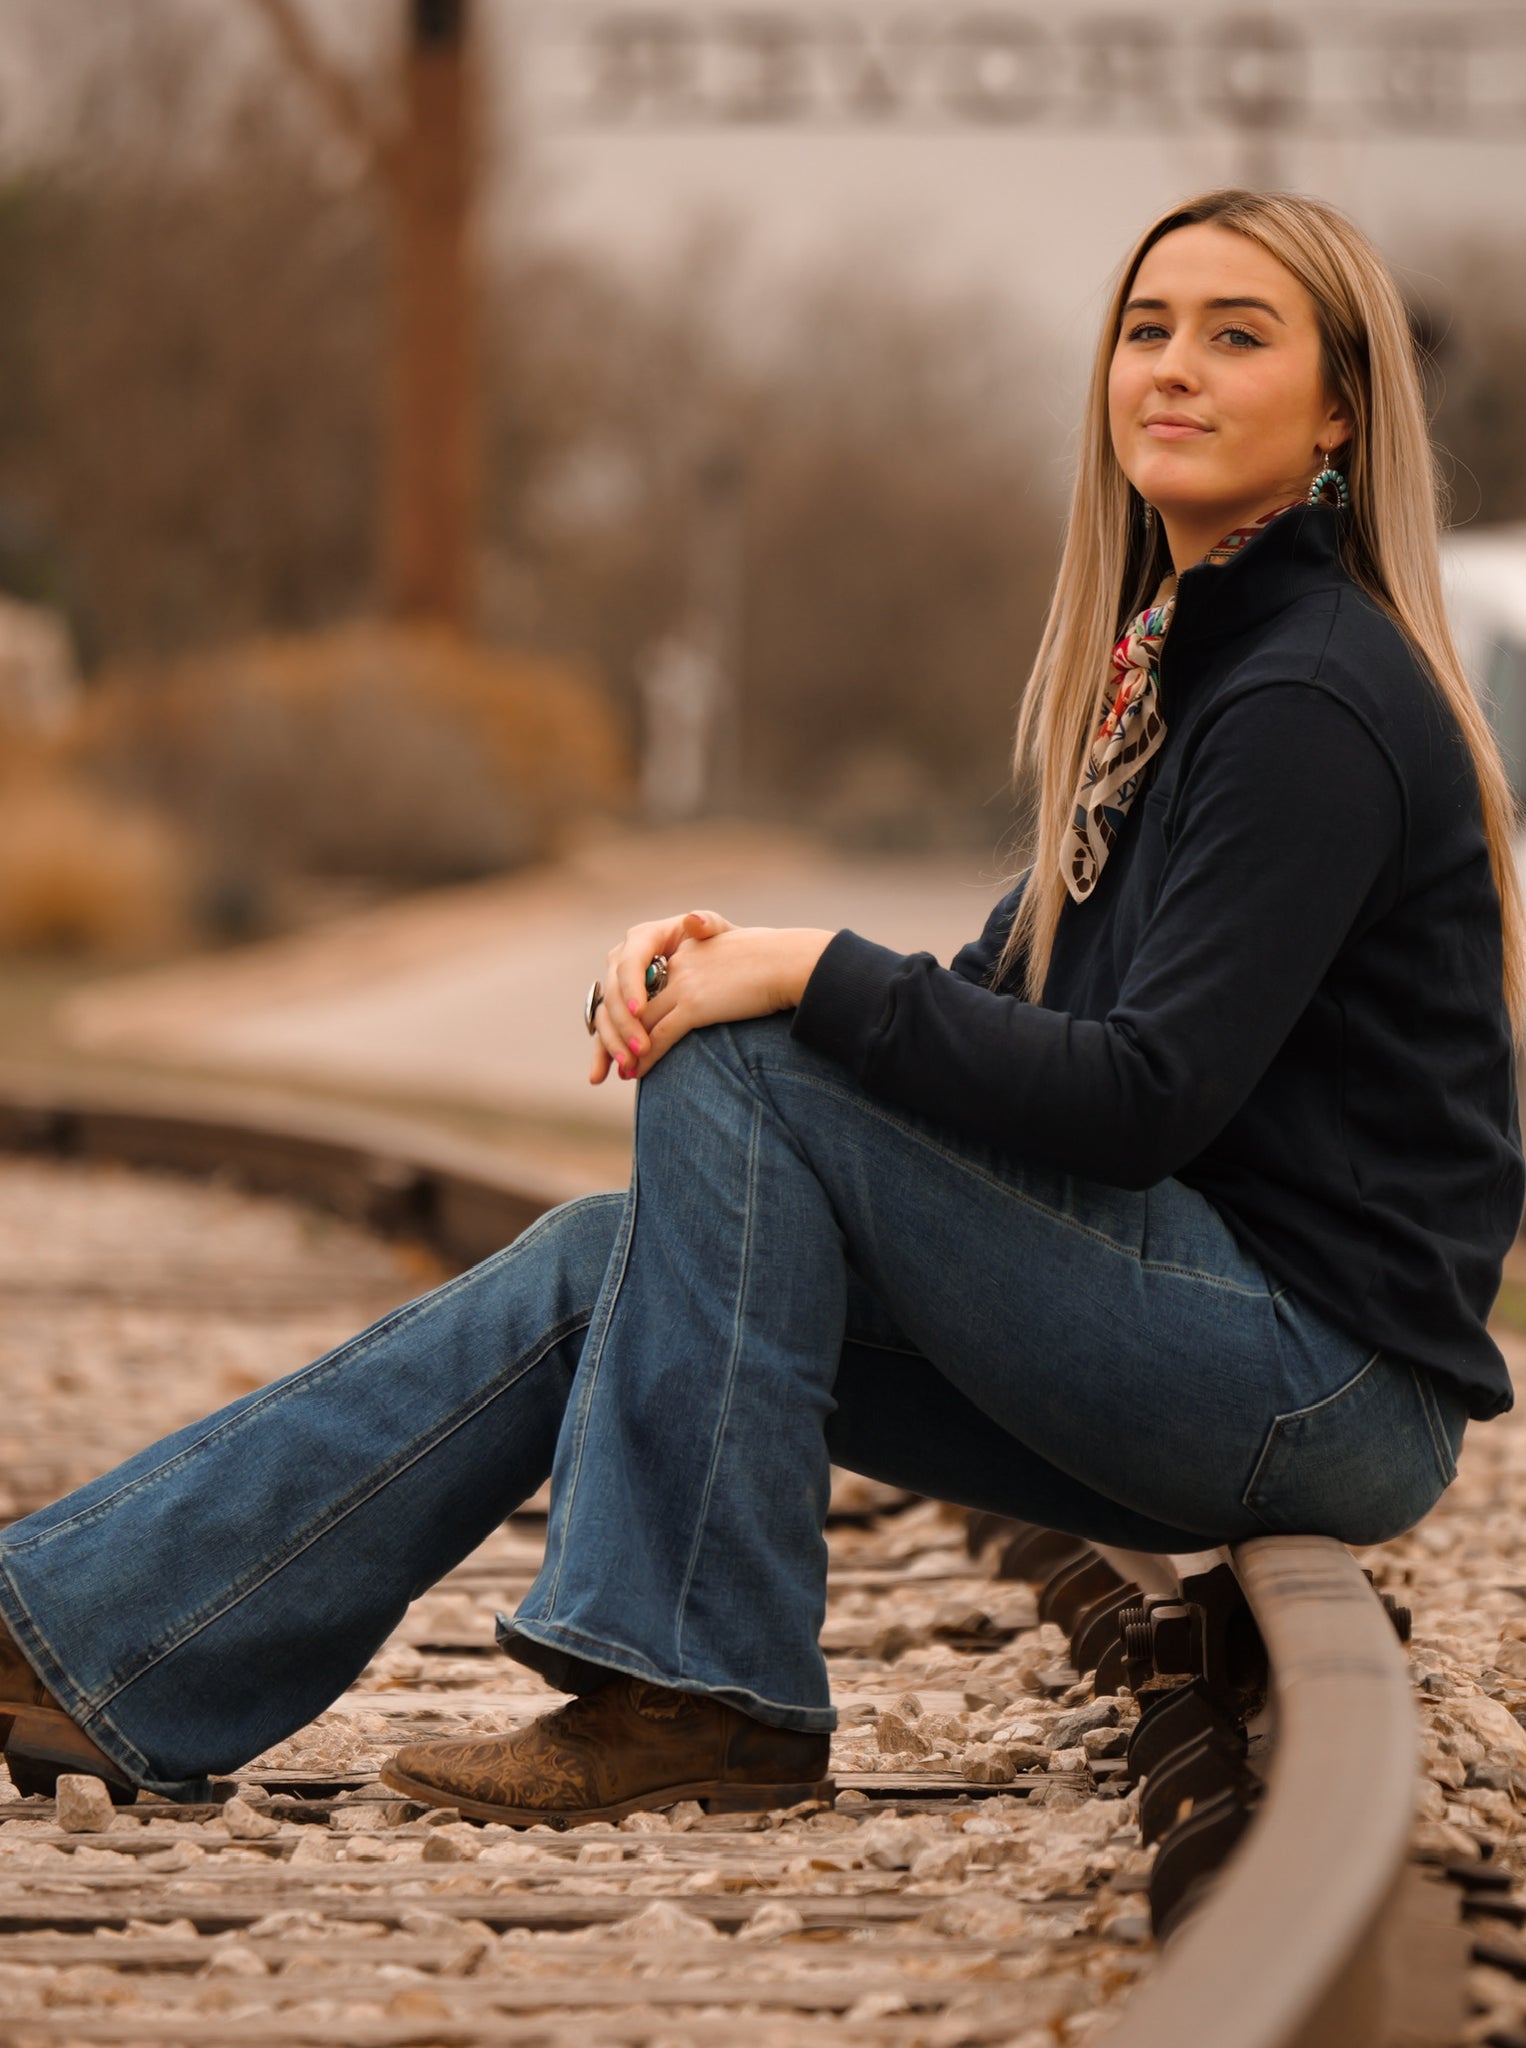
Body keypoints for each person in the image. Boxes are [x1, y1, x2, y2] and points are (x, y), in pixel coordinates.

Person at [2, 189, 1522, 1829]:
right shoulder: (1177, 662)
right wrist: (753, 950)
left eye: (1238, 337)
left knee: (749, 1063)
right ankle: (79, 1642)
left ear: (1341, 409)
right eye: (1146, 330)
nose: (1171, 367)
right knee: (606, 1260)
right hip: (1199, 1321)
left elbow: (1139, 1097)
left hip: (1311, 1373)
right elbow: (1000, 1019)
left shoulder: (1307, 695)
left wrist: (798, 975)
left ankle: (697, 1693)